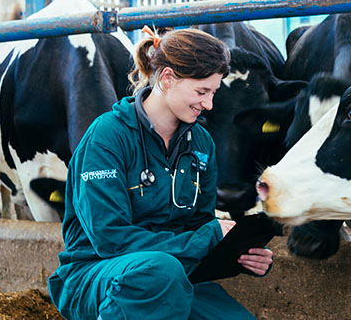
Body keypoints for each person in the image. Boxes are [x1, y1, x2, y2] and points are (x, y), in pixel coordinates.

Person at [47, 27, 274, 320]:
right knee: (157, 273)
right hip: (96, 273)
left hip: (174, 275)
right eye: (201, 91)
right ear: (167, 78)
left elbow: (199, 225)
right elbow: (110, 238)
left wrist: (237, 253)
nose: (209, 104)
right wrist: (206, 239)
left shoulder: (201, 143)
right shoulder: (107, 137)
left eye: (213, 92)